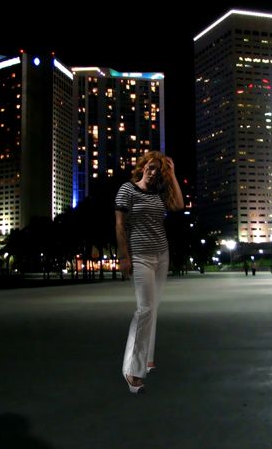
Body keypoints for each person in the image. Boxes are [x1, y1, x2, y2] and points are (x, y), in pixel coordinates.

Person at [115, 151, 184, 393]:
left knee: (153, 308)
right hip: (140, 256)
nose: (154, 173)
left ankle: (148, 358)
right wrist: (124, 256)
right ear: (143, 166)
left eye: (159, 170)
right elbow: (120, 225)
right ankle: (132, 370)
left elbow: (179, 205)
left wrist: (172, 174)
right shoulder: (127, 189)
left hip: (161, 255)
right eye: (151, 167)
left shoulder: (158, 194)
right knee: (145, 310)